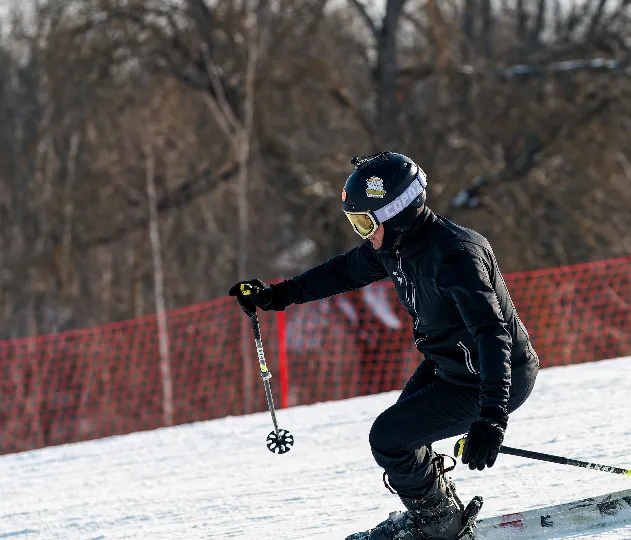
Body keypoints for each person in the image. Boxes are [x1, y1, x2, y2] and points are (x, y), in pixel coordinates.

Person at [230, 151, 540, 540]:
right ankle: (440, 512)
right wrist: (276, 297)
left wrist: (492, 417)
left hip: (491, 375)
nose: (363, 234)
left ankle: (439, 526)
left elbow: (492, 334)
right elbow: (342, 272)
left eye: (364, 222)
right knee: (403, 439)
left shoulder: (456, 256)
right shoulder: (396, 247)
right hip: (450, 366)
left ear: (397, 212)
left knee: (390, 438)